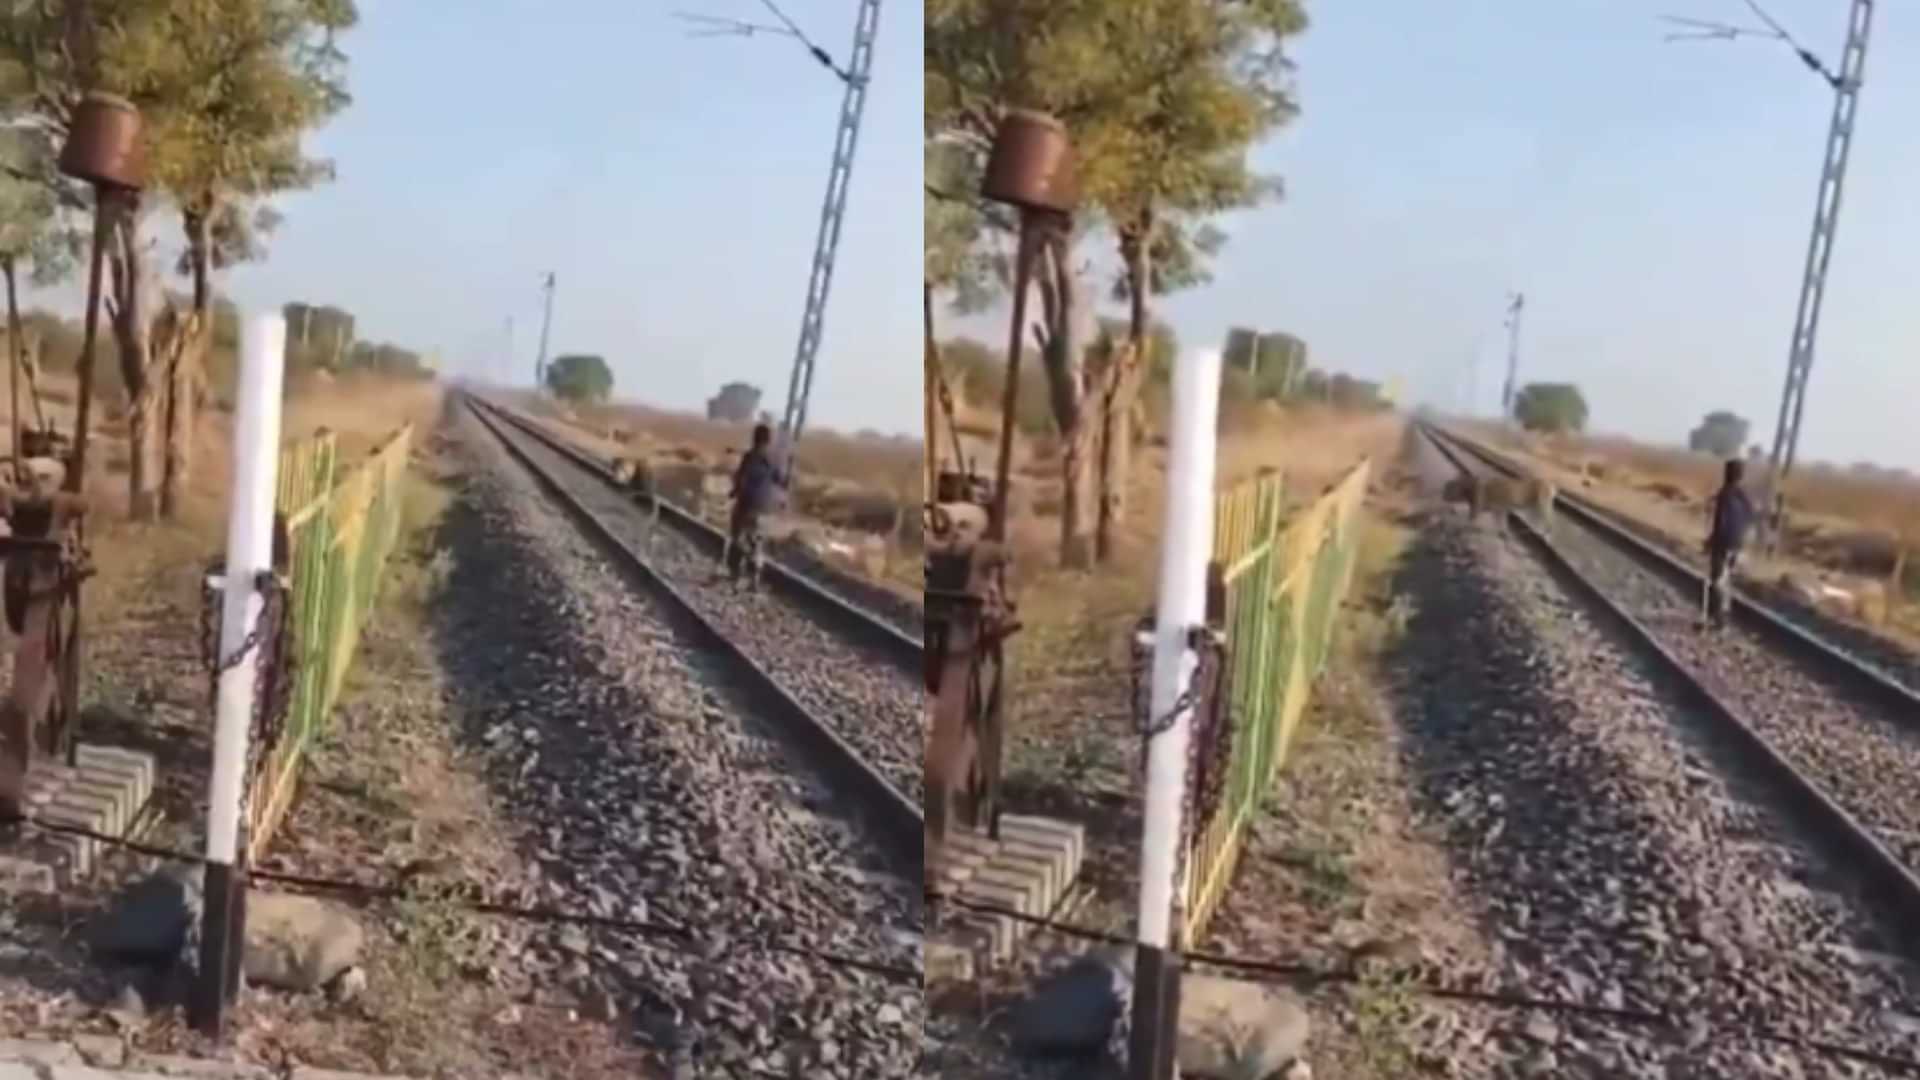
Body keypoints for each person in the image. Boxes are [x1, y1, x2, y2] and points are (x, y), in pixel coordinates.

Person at [726, 424, 783, 587]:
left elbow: (741, 478)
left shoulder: (749, 457)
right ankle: (754, 578)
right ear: (769, 440)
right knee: (756, 544)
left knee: (737, 538)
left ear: (754, 438)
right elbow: (780, 479)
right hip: (764, 509)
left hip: (746, 505)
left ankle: (735, 575)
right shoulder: (774, 459)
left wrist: (733, 492)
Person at [1702, 458, 1754, 630]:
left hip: (1723, 544)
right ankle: (1720, 614)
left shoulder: (1724, 495)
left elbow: (1721, 523)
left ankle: (1719, 618)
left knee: (1718, 581)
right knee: (1726, 580)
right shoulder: (1744, 497)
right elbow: (1750, 518)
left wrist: (1710, 542)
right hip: (1738, 544)